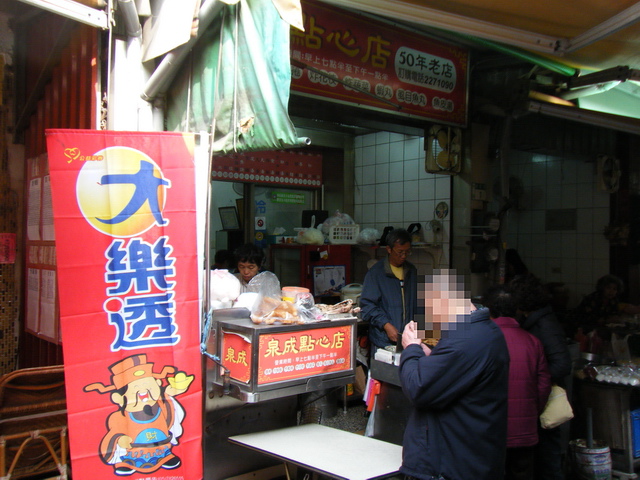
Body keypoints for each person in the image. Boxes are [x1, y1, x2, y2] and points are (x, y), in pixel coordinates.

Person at [399, 270, 510, 480]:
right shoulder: (487, 331)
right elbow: (454, 372)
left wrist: (411, 348)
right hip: (473, 458)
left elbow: (418, 388)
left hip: (452, 465)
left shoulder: (463, 342)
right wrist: (430, 354)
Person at [484, 284, 551, 480]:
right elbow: (543, 386)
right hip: (524, 432)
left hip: (488, 430)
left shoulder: (481, 340)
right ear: (517, 310)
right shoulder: (533, 342)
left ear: (488, 310)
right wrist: (530, 412)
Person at [510, 273, 572, 480]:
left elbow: (562, 364)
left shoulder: (544, 324)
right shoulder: (534, 319)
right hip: (537, 397)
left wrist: (535, 379)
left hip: (546, 399)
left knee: (548, 457)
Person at [360, 228, 417, 351]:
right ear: (389, 249)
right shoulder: (376, 273)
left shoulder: (411, 271)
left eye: (407, 252)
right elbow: (367, 306)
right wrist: (386, 325)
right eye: (400, 252)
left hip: (408, 339)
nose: (403, 256)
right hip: (383, 340)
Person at [573, 274, 640, 332]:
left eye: (614, 289)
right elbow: (587, 319)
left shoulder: (613, 300)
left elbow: (614, 313)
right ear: (602, 288)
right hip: (580, 328)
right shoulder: (592, 299)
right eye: (608, 288)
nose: (611, 291)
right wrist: (607, 320)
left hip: (601, 329)